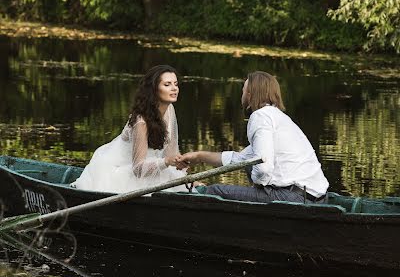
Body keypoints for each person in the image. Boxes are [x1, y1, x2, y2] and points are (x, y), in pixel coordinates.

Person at [176, 71, 329, 203]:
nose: (241, 95)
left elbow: (263, 169)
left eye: (243, 90)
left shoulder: (260, 117)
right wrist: (199, 156)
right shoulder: (277, 117)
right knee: (250, 166)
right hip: (317, 196)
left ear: (250, 94)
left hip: (294, 198)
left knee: (215, 191)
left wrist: (258, 187)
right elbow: (242, 159)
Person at [73, 65, 187, 193]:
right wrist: (166, 162)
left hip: (149, 167)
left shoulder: (169, 109)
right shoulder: (141, 121)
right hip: (119, 170)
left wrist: (183, 173)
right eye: (167, 84)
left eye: (176, 84)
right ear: (154, 90)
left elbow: (171, 153)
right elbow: (138, 169)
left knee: (172, 182)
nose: (174, 89)